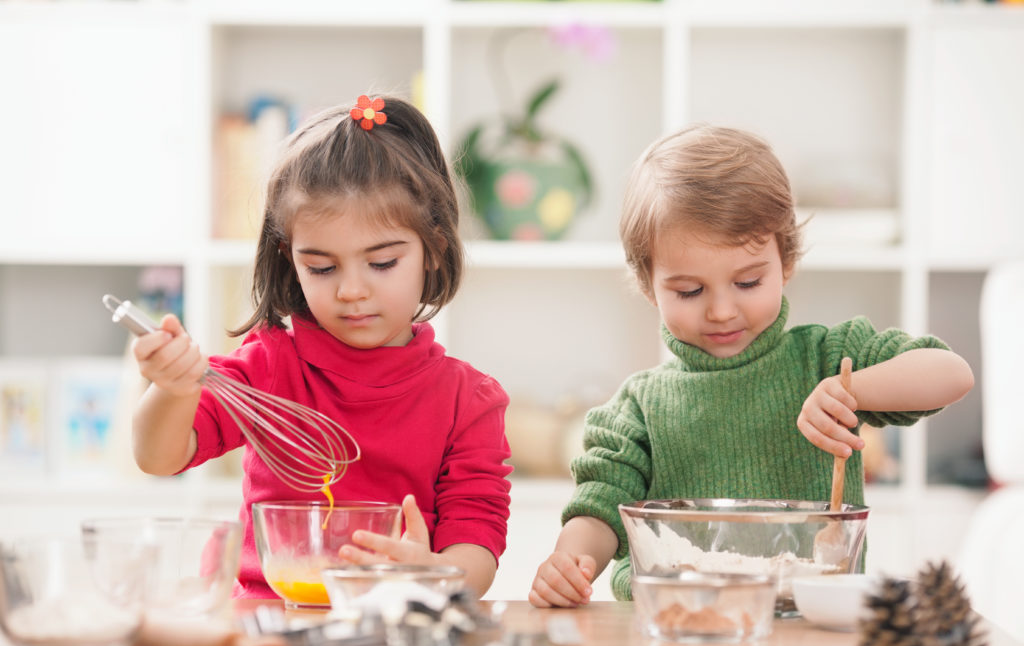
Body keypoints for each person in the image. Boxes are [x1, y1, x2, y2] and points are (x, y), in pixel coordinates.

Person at [528, 124, 974, 607]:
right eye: (690, 291)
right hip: (676, 628)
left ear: (786, 261)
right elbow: (598, 511)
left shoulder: (827, 358)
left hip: (806, 626)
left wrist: (855, 390)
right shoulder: (635, 409)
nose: (721, 311)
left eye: (747, 282)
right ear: (646, 284)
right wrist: (570, 563)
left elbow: (951, 373)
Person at [130, 94, 512, 599]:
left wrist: (437, 575)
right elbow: (159, 457)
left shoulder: (469, 401)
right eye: (322, 268)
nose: (351, 290)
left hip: (388, 625)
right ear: (291, 259)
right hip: (265, 622)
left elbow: (477, 539)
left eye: (381, 263)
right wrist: (173, 390)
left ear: (434, 248)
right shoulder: (267, 367)